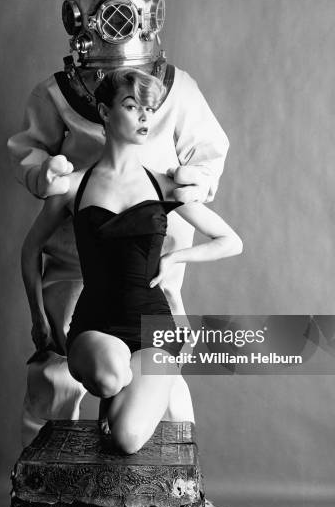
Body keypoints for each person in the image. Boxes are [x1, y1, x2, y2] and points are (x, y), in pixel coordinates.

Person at [22, 67, 242, 453]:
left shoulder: (165, 183)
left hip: (154, 328)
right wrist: (38, 318)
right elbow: (30, 249)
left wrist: (176, 260)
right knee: (110, 377)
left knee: (127, 439)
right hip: (96, 325)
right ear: (105, 113)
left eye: (149, 108)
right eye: (131, 106)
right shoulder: (75, 184)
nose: (144, 117)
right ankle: (114, 413)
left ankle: (169, 489)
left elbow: (230, 241)